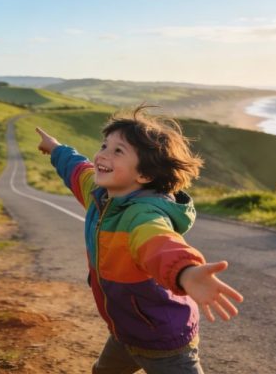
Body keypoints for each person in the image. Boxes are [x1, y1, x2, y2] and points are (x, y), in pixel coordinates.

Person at [35, 105, 243, 374]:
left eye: (118, 151)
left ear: (144, 175)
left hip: (164, 341)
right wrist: (55, 149)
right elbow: (77, 168)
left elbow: (159, 242)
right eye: (104, 145)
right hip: (125, 332)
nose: (103, 155)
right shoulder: (100, 194)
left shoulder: (143, 215)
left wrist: (185, 271)